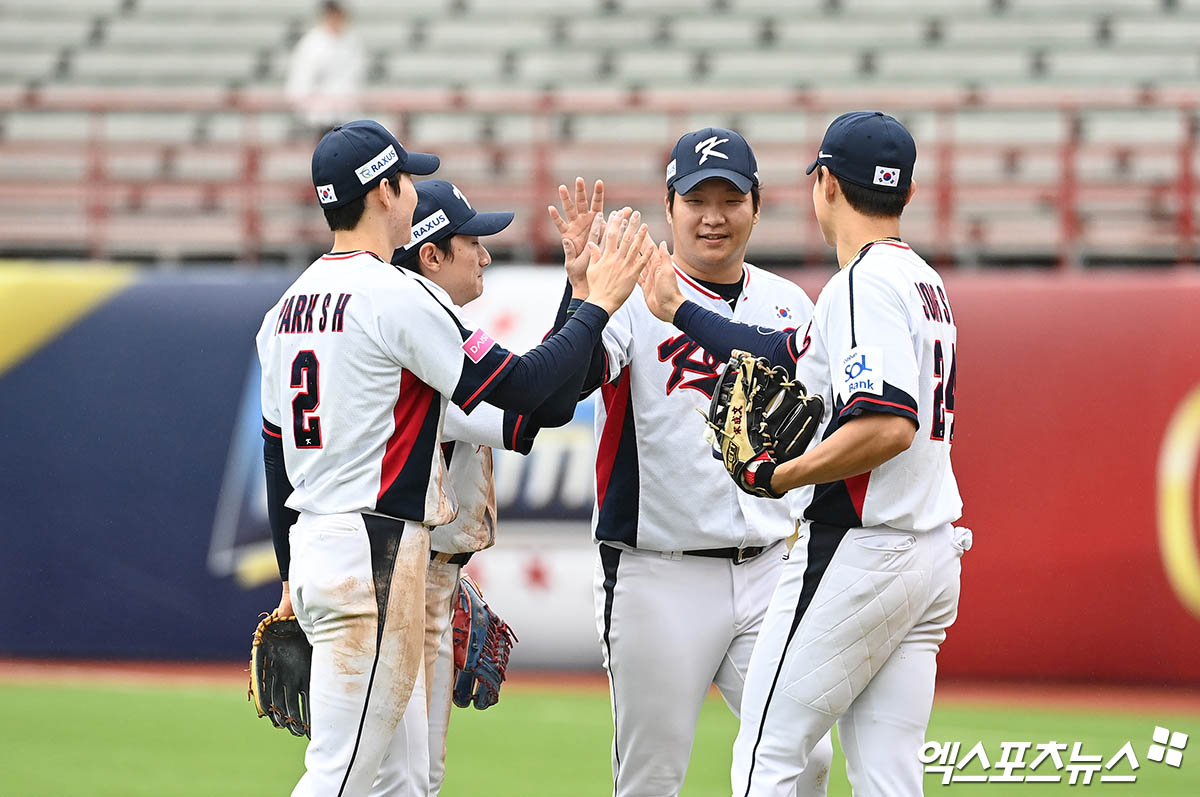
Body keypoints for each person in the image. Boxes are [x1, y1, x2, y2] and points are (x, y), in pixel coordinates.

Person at [255, 119, 651, 796]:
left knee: (402, 781)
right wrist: (599, 300)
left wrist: (292, 578)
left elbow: (273, 455)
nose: (410, 191)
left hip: (325, 546)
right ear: (384, 193)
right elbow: (532, 396)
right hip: (375, 554)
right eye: (405, 178)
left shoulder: (285, 309)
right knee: (340, 778)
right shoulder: (392, 296)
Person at [640, 111, 968, 796]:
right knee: (887, 775)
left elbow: (886, 425)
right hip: (931, 552)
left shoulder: (860, 283)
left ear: (823, 184)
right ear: (905, 194)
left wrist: (781, 474)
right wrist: (680, 311)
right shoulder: (920, 281)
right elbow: (787, 354)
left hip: (863, 547)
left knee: (766, 754)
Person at [579, 128, 834, 796]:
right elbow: (569, 381)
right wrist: (582, 295)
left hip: (770, 568)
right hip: (661, 573)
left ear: (757, 205)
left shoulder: (788, 303)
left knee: (806, 756)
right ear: (670, 207)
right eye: (697, 198)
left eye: (730, 198)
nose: (713, 215)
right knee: (651, 780)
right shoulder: (629, 297)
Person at [384, 176, 606, 796]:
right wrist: (591, 303)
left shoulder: (422, 328)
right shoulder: (421, 345)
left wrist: (578, 289)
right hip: (400, 576)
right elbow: (543, 402)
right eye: (471, 241)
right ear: (431, 253)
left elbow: (549, 393)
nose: (485, 254)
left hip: (421, 571)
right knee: (392, 781)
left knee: (410, 780)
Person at [285, 1, 367, 136]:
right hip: (319, 115)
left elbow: (356, 76)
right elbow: (301, 79)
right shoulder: (312, 43)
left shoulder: (353, 41)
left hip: (346, 113)